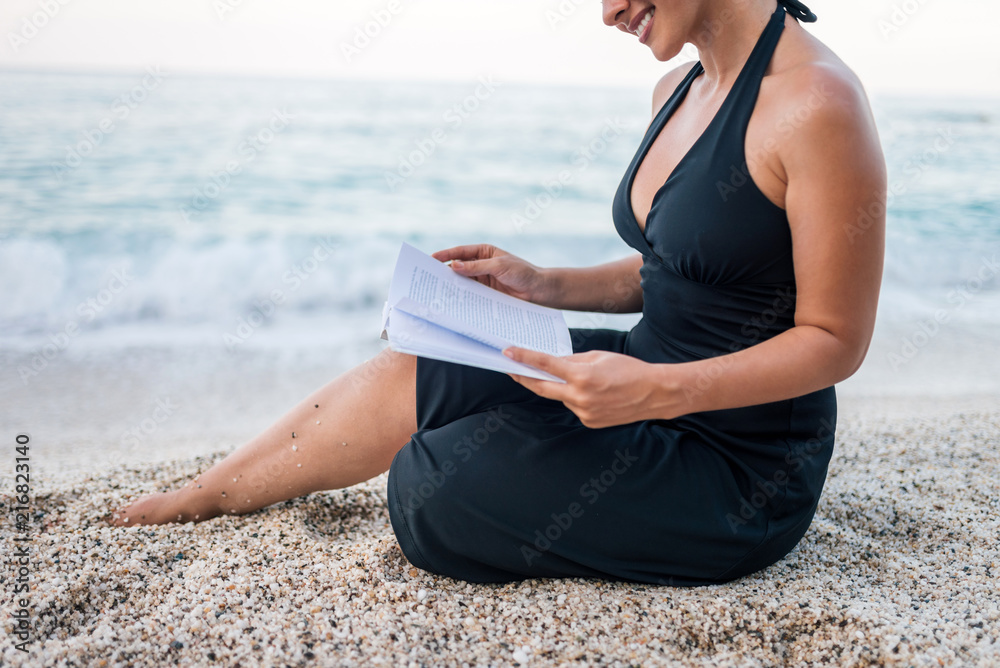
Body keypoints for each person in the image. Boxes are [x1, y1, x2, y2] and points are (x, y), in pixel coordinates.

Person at [111, 0, 886, 586]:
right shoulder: (676, 91)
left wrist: (655, 391)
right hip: (640, 379)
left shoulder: (818, 105)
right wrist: (544, 284)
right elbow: (682, 272)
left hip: (737, 464)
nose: (608, 10)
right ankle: (209, 494)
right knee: (417, 366)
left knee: (433, 483)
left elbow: (835, 340)